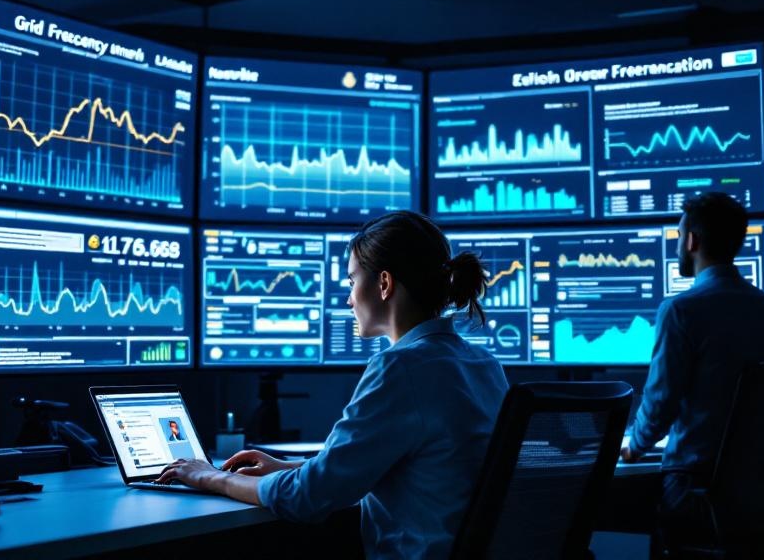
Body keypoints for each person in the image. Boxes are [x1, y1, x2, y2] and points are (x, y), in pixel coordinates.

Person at [156, 211, 509, 558]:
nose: (349, 298)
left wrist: (209, 478)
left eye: (352, 281)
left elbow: (306, 498)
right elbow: (408, 464)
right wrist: (286, 466)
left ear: (384, 284)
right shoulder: (482, 364)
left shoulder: (402, 366)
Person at [617, 193, 764, 544]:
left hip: (693, 492)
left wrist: (633, 448)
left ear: (691, 240)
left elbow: (660, 404)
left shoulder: (682, 311)